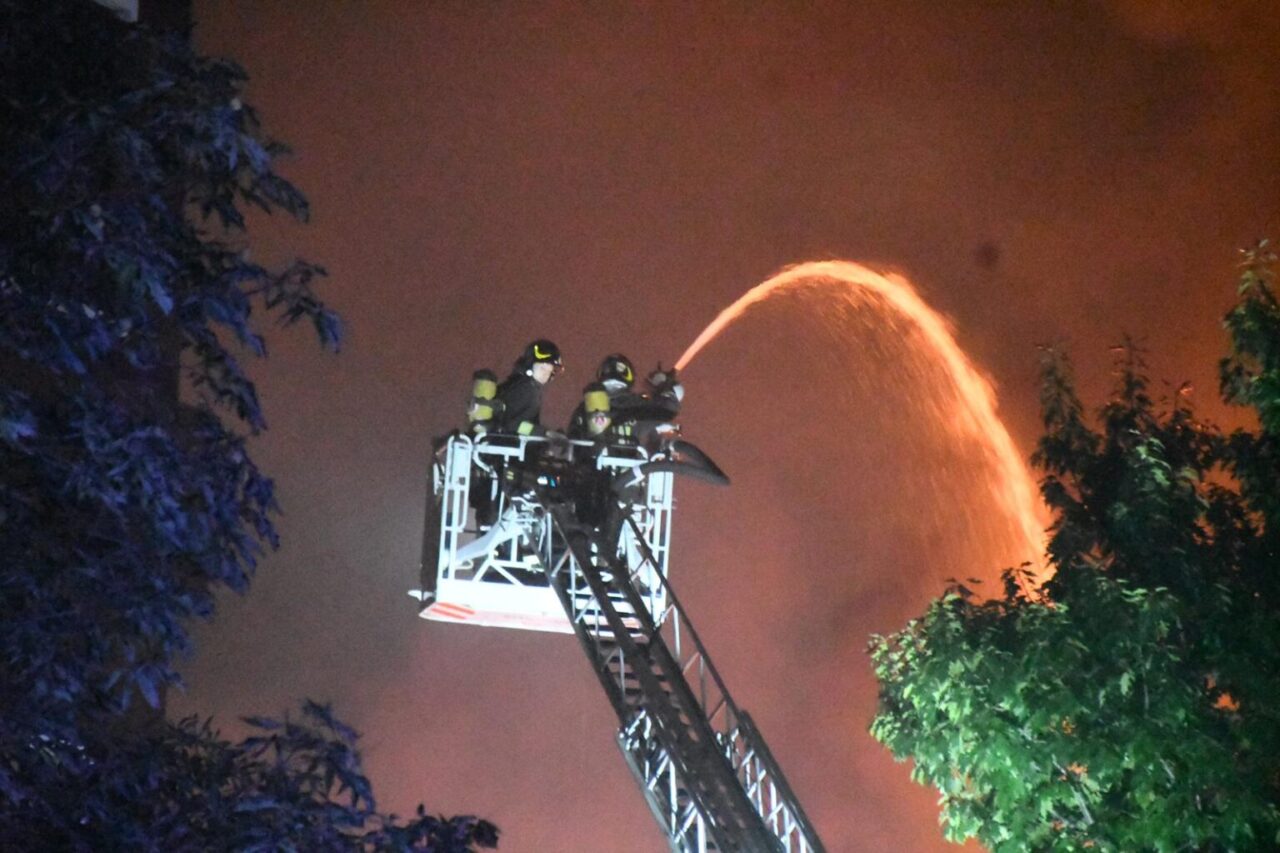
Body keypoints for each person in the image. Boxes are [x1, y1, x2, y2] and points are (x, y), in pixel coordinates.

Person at [569, 352, 683, 443]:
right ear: (628, 374)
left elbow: (572, 438)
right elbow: (668, 410)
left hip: (589, 463)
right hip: (630, 463)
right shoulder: (636, 404)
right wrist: (662, 382)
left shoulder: (584, 407)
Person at [493, 338, 562, 436]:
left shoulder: (518, 385)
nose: (546, 374)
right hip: (505, 443)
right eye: (542, 368)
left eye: (550, 370)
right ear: (530, 365)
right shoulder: (526, 389)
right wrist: (546, 433)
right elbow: (513, 424)